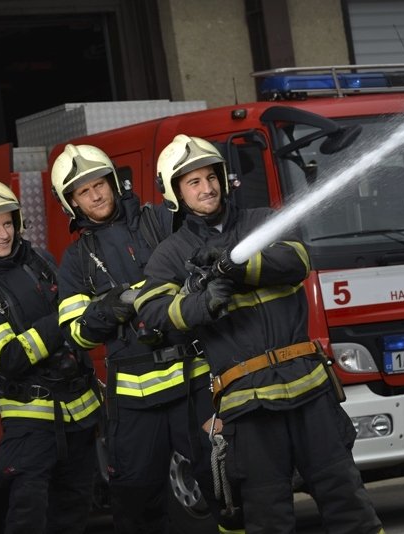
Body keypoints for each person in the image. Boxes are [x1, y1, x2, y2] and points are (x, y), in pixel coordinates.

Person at [134, 134, 385, 534]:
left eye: (211, 176)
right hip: (248, 405)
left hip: (308, 390)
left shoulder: (262, 222)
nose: (207, 187)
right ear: (175, 192)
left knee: (346, 500)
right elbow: (152, 312)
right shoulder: (169, 254)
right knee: (268, 515)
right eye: (193, 182)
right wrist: (204, 302)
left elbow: (297, 258)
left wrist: (238, 267)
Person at [50, 144, 236, 534]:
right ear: (72, 203)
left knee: (226, 482)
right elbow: (77, 334)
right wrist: (110, 308)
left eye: (99, 184)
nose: (96, 195)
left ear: (114, 182)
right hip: (134, 401)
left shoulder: (161, 220)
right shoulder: (76, 260)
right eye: (83, 192)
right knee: (135, 501)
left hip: (193, 378)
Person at [0, 177, 101, 534]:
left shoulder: (41, 261)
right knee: (28, 521)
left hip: (79, 418)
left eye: (8, 223)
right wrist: (62, 319)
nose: (3, 234)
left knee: (75, 517)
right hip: (30, 427)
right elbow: (11, 357)